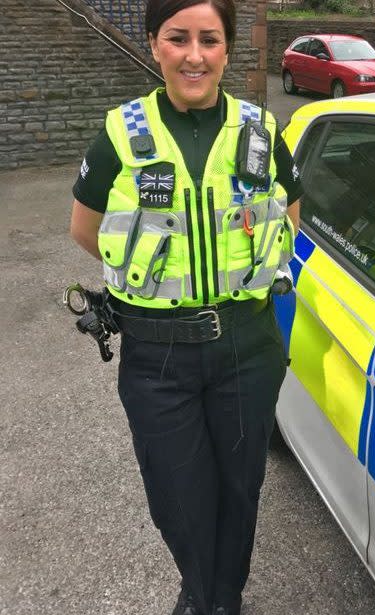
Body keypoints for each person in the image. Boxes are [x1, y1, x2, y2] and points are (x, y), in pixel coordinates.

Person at [69, 1, 302, 614]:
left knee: (239, 488)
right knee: (178, 493)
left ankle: (219, 600)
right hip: (158, 354)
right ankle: (201, 591)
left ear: (227, 49)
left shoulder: (261, 129)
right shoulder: (122, 132)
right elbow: (85, 228)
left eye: (209, 39)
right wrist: (161, 281)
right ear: (154, 45)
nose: (194, 55)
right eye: (178, 39)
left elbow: (289, 218)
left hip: (248, 346)